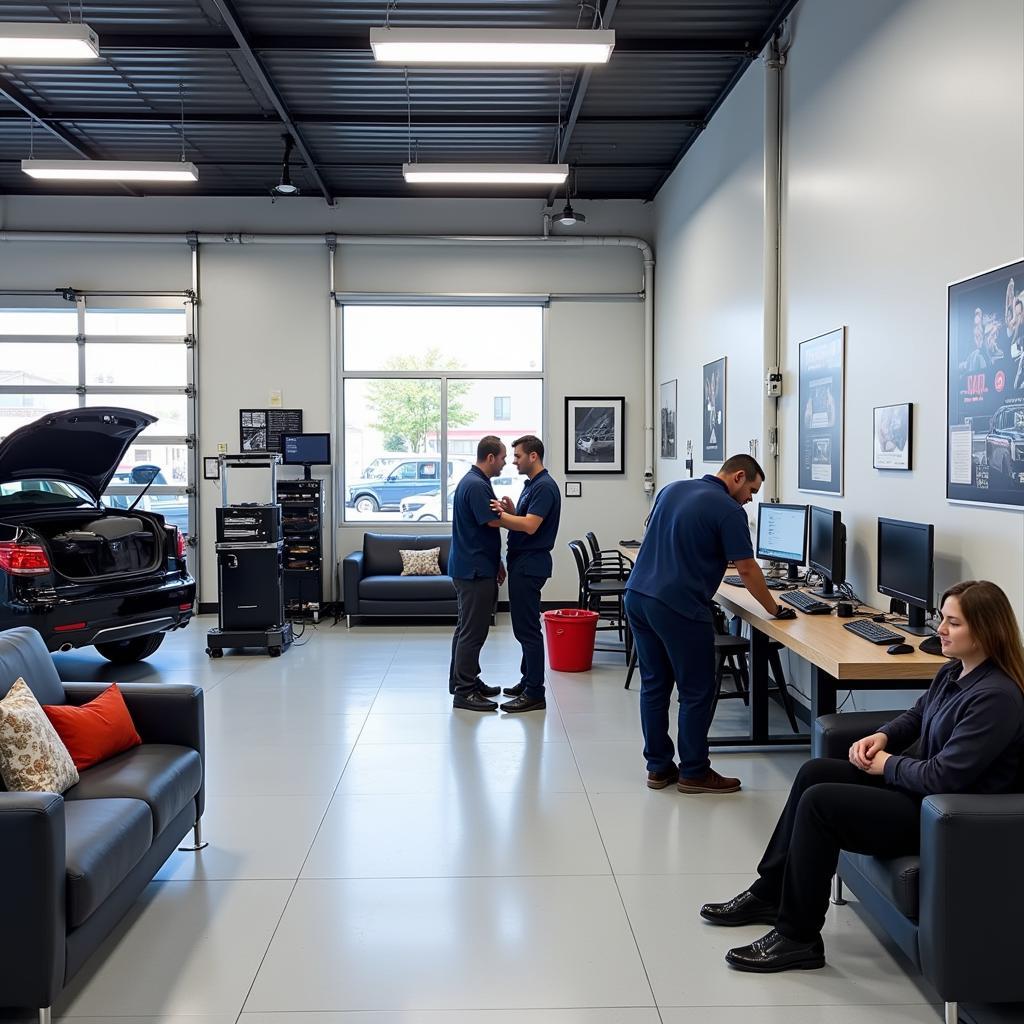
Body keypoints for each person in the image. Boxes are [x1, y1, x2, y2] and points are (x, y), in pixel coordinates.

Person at [701, 579, 1024, 973]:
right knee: (814, 772)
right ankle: (769, 891)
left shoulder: (996, 697)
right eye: (942, 618)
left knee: (822, 804)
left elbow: (945, 778)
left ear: (987, 630)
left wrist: (887, 764)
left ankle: (798, 937)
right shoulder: (956, 671)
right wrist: (883, 735)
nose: (940, 629)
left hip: (946, 816)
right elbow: (917, 716)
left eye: (953, 623)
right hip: (919, 793)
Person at [624, 454, 797, 795]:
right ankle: (694, 771)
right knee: (697, 690)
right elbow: (747, 569)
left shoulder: (672, 489)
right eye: (752, 489)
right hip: (677, 605)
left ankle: (658, 768)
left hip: (638, 595)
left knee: (655, 685)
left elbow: (662, 535)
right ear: (738, 476)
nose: (751, 498)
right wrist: (774, 608)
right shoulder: (729, 510)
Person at [489, 434, 561, 713]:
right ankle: (527, 679)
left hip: (530, 564)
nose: (513, 461)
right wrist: (512, 511)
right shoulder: (533, 485)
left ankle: (534, 692)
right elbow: (528, 519)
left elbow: (530, 527)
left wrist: (499, 517)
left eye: (517, 456)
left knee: (527, 629)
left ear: (533, 456)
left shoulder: (544, 487)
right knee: (524, 627)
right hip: (524, 561)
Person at [448, 435, 507, 712]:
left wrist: (498, 562)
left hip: (476, 565)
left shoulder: (477, 482)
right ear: (491, 457)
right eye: (504, 458)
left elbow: (485, 530)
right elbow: (493, 521)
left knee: (466, 629)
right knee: (473, 632)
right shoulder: (475, 485)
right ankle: (464, 691)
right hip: (473, 570)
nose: (506, 463)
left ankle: (464, 680)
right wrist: (519, 518)